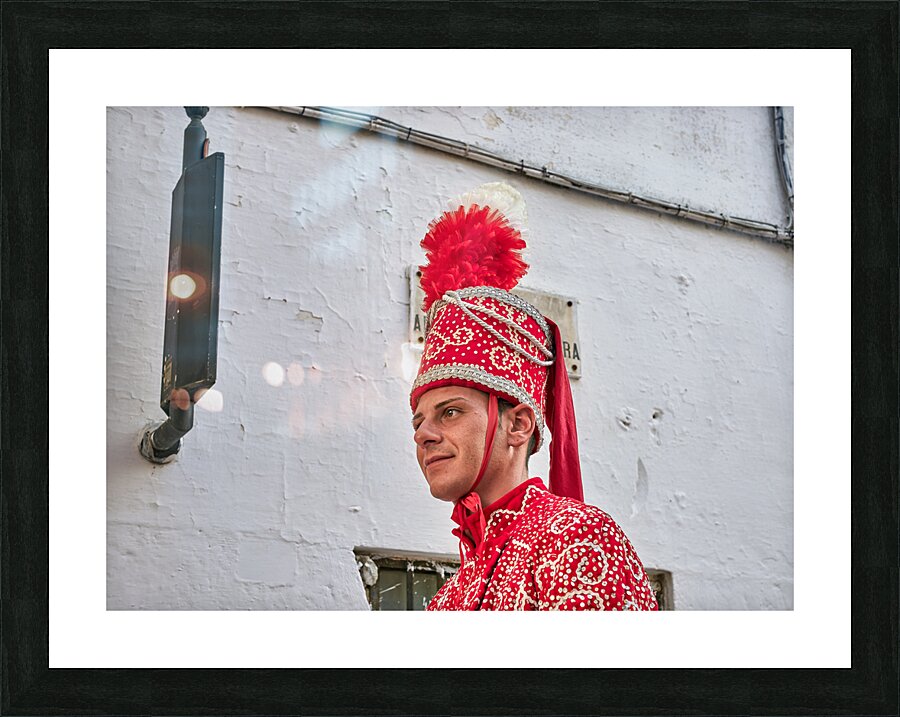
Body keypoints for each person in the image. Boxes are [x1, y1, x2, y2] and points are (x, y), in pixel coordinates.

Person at [410, 182, 658, 611]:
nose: (424, 434)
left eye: (450, 412)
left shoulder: (576, 539)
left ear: (519, 424)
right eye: (418, 420)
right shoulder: (448, 598)